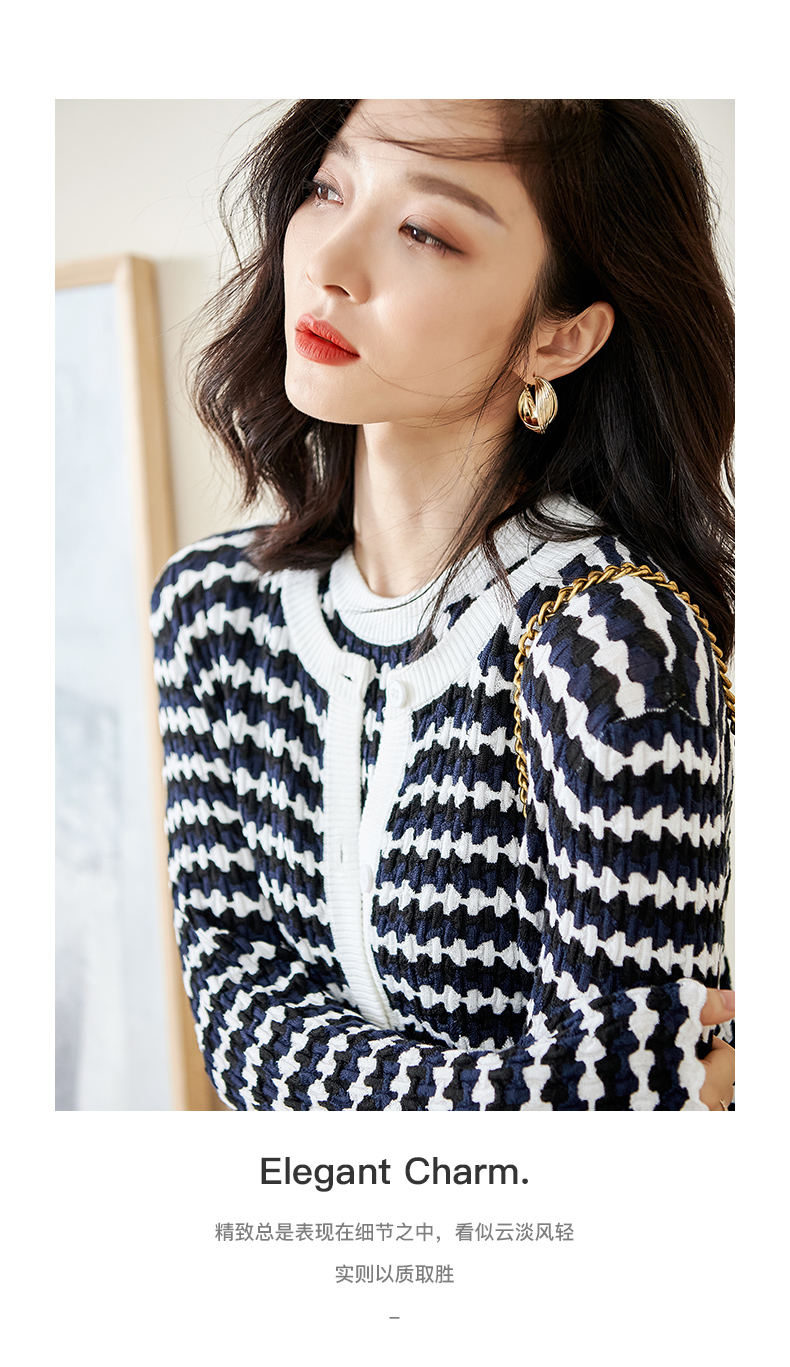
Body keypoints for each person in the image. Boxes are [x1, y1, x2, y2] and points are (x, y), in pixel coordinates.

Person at [151, 99, 735, 1110]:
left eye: (423, 230)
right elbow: (236, 1033)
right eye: (327, 188)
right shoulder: (212, 615)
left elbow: (623, 1148)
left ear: (559, 336)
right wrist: (525, 1090)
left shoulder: (612, 646)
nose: (329, 260)